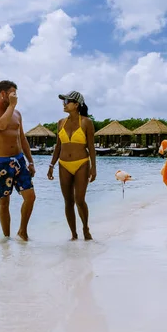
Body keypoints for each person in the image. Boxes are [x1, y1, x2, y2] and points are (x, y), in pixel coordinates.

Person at [0, 80, 36, 241]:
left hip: (19, 160)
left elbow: (22, 138)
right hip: (0, 162)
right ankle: (6, 240)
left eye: (16, 93)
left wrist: (30, 161)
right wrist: (11, 106)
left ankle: (22, 231)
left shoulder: (17, 113)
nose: (15, 96)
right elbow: (1, 125)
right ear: (3, 94)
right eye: (12, 93)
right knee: (4, 202)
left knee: (30, 197)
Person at [47, 91, 96, 240]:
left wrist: (94, 167)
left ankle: (85, 228)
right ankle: (73, 235)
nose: (64, 103)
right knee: (68, 201)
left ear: (76, 105)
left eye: (67, 101)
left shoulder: (86, 122)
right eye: (64, 101)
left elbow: (91, 147)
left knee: (79, 200)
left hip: (81, 163)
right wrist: (51, 165)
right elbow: (58, 146)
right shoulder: (60, 123)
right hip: (63, 165)